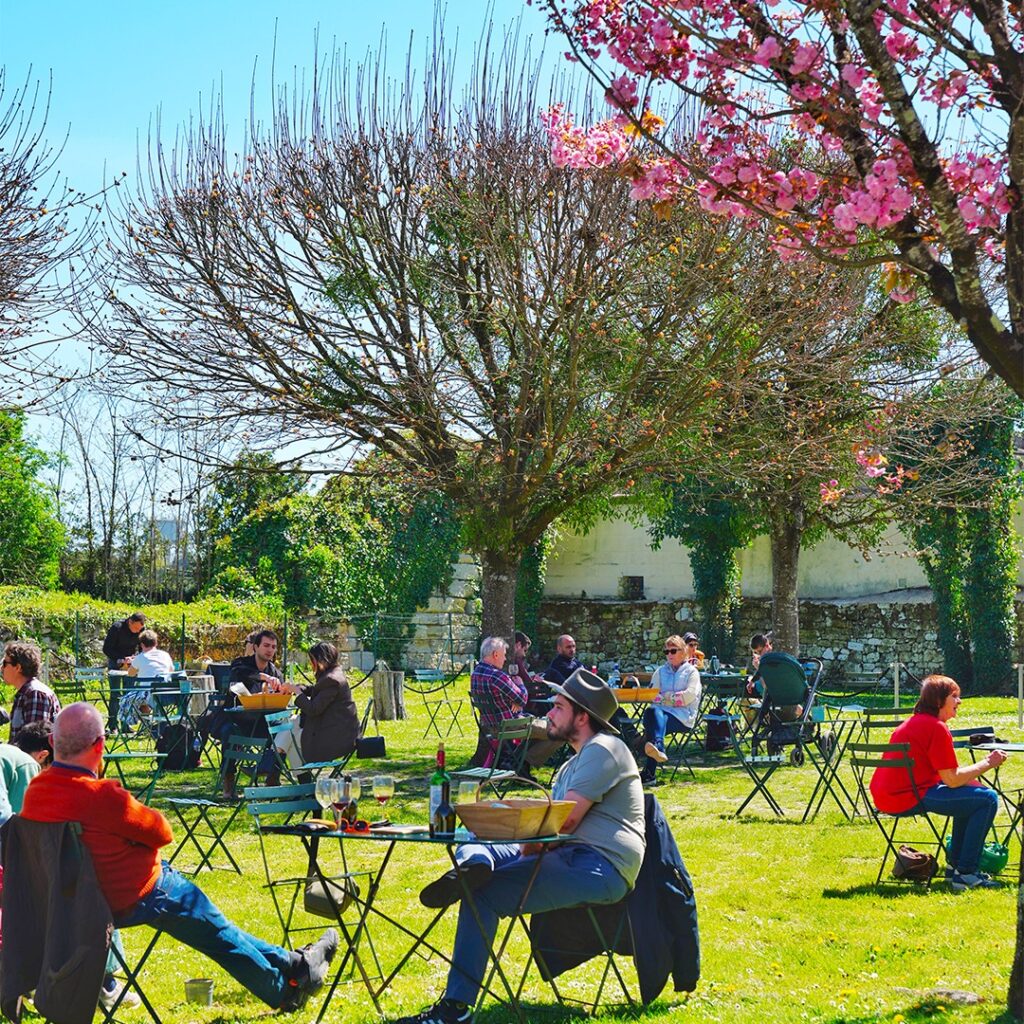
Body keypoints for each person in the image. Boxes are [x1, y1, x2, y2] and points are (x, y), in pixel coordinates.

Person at [19, 702, 339, 1010]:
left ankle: (295, 963)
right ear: (100, 745)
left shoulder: (35, 793)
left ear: (52, 741)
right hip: (131, 896)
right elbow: (162, 833)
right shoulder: (101, 796)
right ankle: (284, 989)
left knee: (215, 923)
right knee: (215, 930)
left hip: (74, 904)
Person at [399, 670, 645, 1024]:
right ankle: (476, 863)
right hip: (564, 852)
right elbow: (552, 822)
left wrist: (534, 840)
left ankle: (455, 1010)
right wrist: (522, 832)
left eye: (558, 707)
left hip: (599, 864)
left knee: (481, 895)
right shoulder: (573, 763)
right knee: (477, 832)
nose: (549, 713)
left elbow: (566, 820)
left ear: (582, 716)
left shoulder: (605, 749)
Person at [869, 675, 1006, 891]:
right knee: (987, 800)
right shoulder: (936, 727)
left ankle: (956, 869)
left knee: (974, 799)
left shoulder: (914, 722)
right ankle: (967, 873)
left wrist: (972, 783)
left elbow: (949, 776)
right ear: (939, 700)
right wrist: (989, 762)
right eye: (955, 696)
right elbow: (952, 780)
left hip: (890, 794)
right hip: (907, 796)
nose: (959, 701)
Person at [470, 637, 559, 770]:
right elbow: (522, 699)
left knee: (541, 730)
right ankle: (523, 763)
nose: (505, 659)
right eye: (504, 655)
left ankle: (515, 761)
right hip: (512, 725)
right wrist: (520, 685)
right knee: (560, 731)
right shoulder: (497, 676)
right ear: (495, 655)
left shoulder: (475, 674)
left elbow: (509, 700)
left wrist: (514, 701)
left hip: (492, 726)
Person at [271, 642, 361, 769]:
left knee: (292, 735)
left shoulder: (332, 680)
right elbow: (316, 690)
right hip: (335, 730)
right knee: (292, 726)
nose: (310, 664)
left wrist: (297, 692)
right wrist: (297, 687)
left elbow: (313, 709)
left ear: (320, 660)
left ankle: (273, 765)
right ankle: (273, 766)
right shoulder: (332, 675)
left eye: (312, 660)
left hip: (337, 738)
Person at [640, 635, 702, 785]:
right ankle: (658, 747)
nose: (669, 655)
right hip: (661, 714)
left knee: (653, 720)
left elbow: (688, 697)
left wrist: (666, 697)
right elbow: (652, 695)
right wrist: (671, 698)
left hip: (683, 717)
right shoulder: (660, 671)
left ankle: (649, 772)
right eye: (666, 652)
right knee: (651, 713)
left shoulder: (692, 672)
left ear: (683, 651)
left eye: (673, 651)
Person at [4, 641, 61, 743]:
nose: (1, 668)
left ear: (18, 667)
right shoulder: (25, 694)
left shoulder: (35, 694)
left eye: (5, 663)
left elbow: (34, 744)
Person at [103, 612, 146, 732]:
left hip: (131, 665)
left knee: (129, 695)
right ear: (130, 622)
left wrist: (134, 658)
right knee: (115, 695)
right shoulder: (117, 628)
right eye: (136, 628)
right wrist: (121, 659)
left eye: (140, 629)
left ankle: (126, 725)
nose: (138, 631)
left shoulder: (141, 630)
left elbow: (142, 648)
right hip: (115, 663)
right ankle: (113, 725)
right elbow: (107, 648)